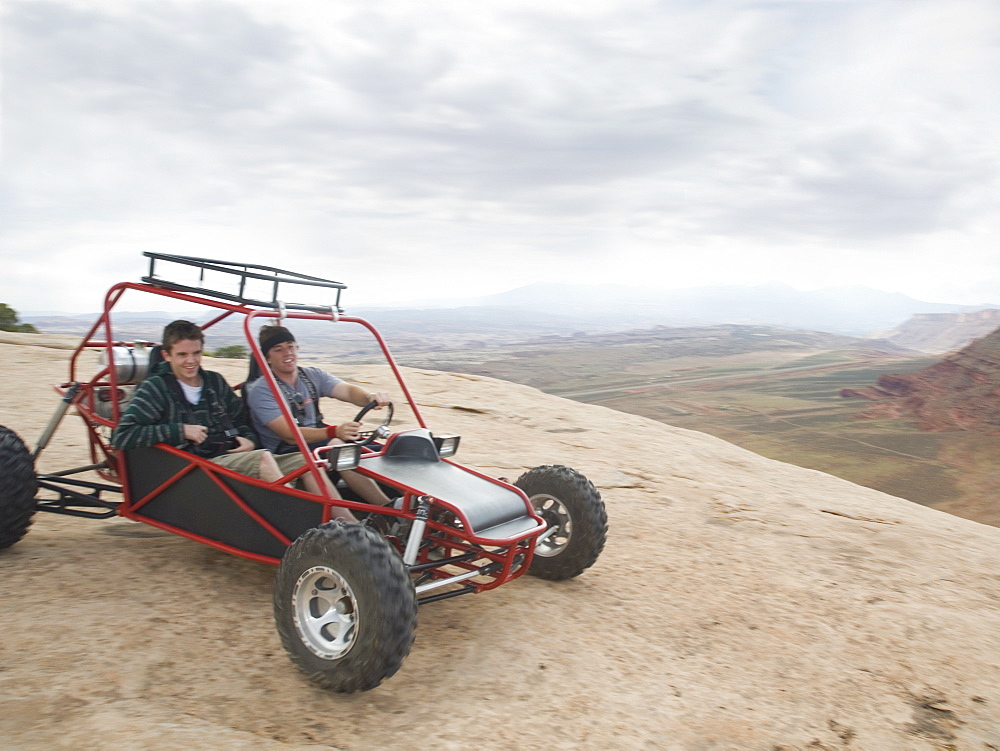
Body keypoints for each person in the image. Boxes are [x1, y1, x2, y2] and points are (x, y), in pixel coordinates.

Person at [111, 320, 356, 522]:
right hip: (193, 468)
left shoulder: (214, 382)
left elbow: (241, 419)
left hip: (228, 455)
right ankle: (299, 525)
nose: (191, 361)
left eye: (196, 353)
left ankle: (350, 527)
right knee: (263, 458)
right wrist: (179, 430)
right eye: (182, 355)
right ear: (166, 355)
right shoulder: (155, 389)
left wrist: (248, 440)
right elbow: (123, 436)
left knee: (306, 462)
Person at [245, 324, 393, 506]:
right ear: (267, 358)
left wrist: (369, 397)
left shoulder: (311, 376)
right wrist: (333, 433)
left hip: (320, 442)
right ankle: (385, 510)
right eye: (278, 349)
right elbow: (289, 435)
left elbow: (347, 391)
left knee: (386, 450)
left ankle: (412, 504)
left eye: (290, 346)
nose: (287, 353)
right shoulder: (261, 390)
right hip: (285, 450)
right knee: (339, 447)